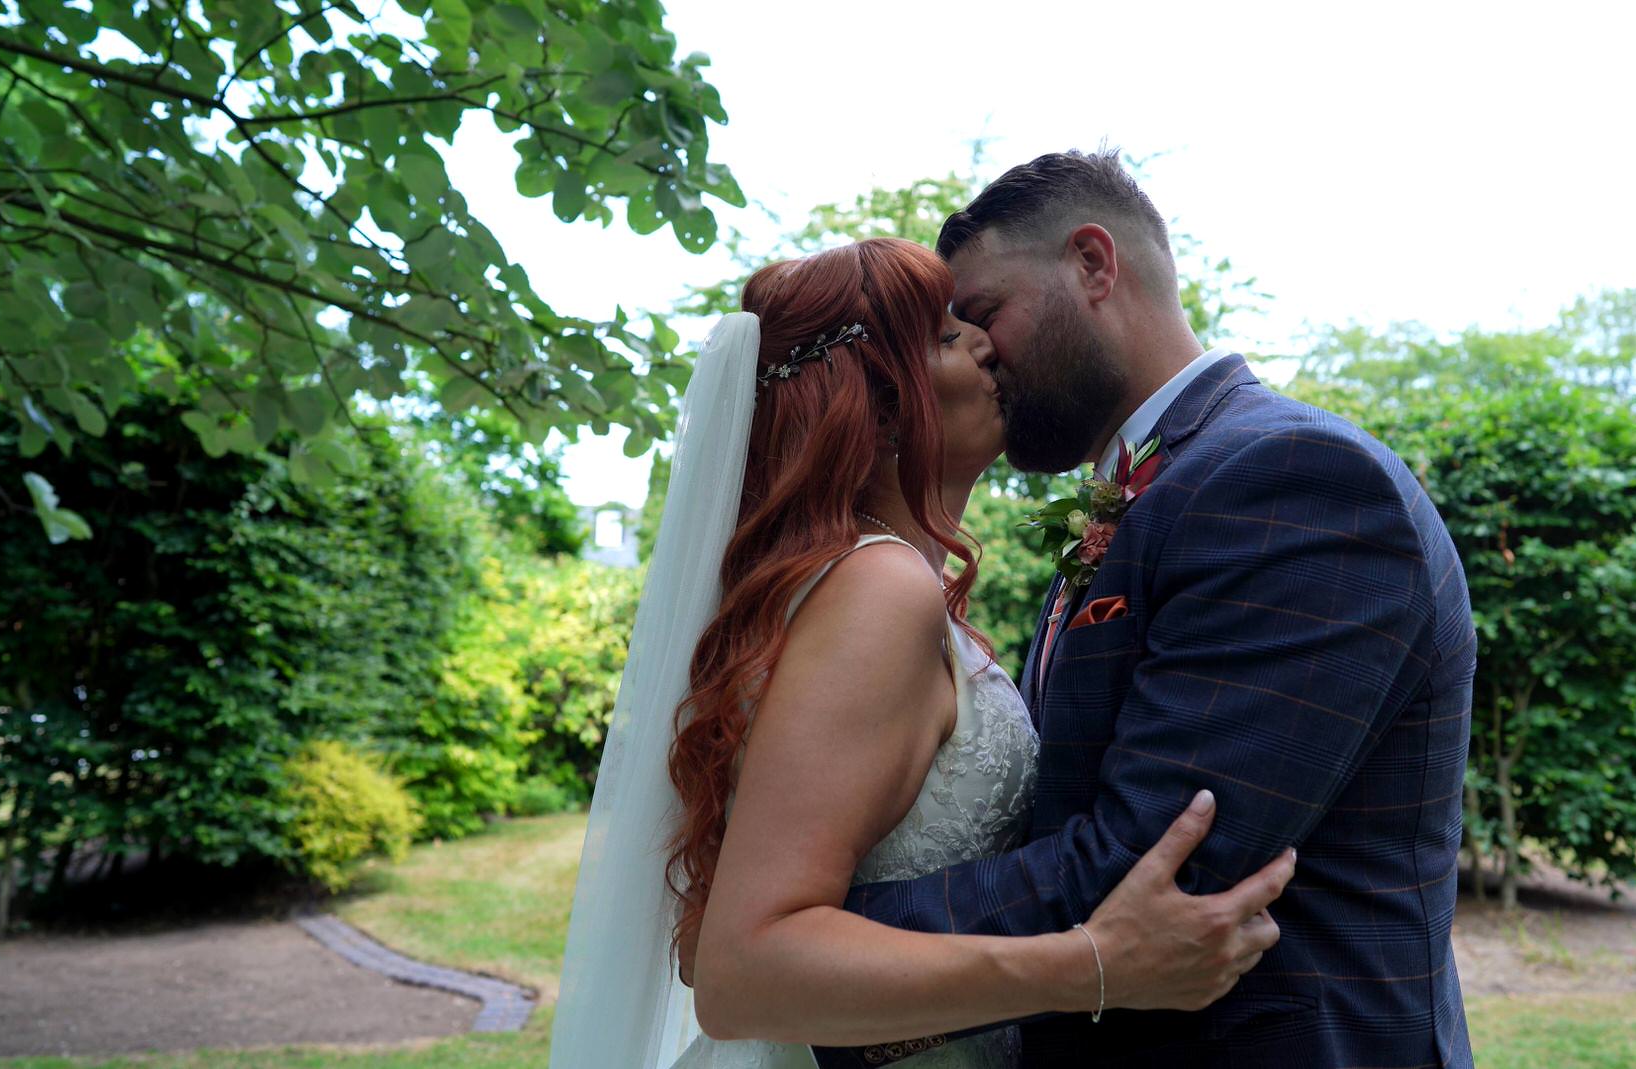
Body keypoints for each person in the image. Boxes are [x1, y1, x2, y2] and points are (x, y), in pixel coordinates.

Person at [548, 237, 1293, 1069]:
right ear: (877, 407)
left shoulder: (873, 585)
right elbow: (740, 969)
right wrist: (1093, 965)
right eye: (946, 335)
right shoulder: (878, 589)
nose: (983, 343)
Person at [811, 151, 1477, 1068]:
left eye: (987, 311)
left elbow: (1156, 861)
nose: (978, 352)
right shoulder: (1146, 494)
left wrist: (815, 947)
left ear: (1093, 263)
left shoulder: (1292, 481)